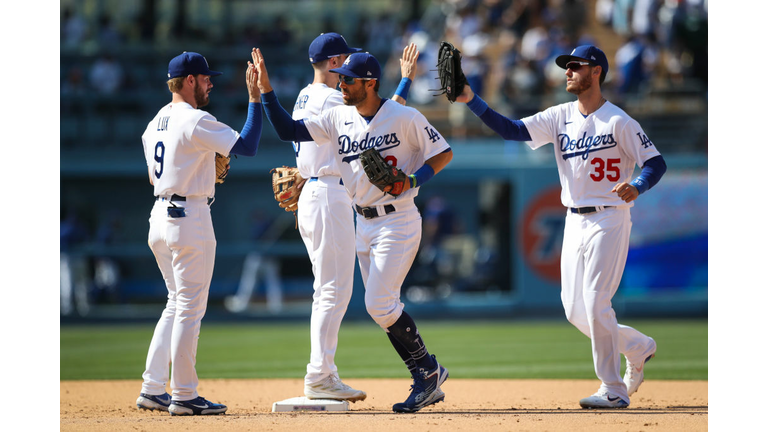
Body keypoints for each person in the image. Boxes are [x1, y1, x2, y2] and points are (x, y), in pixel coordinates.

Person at [456, 45, 666, 409]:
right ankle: (637, 346)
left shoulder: (619, 121)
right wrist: (472, 99)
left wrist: (638, 185)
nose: (567, 72)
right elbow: (512, 130)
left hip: (609, 215)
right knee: (575, 310)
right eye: (565, 67)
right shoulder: (560, 115)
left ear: (596, 71)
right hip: (574, 219)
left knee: (597, 302)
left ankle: (613, 388)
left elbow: (655, 163)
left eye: (575, 66)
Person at [254, 48, 453, 413]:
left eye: (348, 78)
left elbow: (442, 153)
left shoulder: (404, 116)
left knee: (377, 303)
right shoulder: (337, 117)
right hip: (362, 220)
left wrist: (411, 179)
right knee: (381, 307)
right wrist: (266, 91)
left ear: (370, 83)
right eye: (340, 76)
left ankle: (427, 372)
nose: (341, 82)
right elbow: (288, 130)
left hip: (398, 218)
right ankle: (427, 371)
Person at [290, 33, 421, 402]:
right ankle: (319, 374)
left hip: (315, 188)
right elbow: (379, 125)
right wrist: (406, 81)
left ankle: (322, 372)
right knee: (333, 290)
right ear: (333, 63)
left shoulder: (305, 94)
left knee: (327, 289)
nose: (347, 71)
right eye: (344, 63)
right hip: (329, 192)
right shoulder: (334, 97)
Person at [136, 51, 263, 416]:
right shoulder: (195, 119)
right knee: (190, 308)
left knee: (175, 303)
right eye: (206, 77)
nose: (210, 82)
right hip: (188, 217)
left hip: (159, 215)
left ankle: (153, 387)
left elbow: (152, 177)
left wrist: (198, 165)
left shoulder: (154, 122)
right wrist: (254, 98)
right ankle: (185, 394)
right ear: (189, 80)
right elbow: (249, 146)